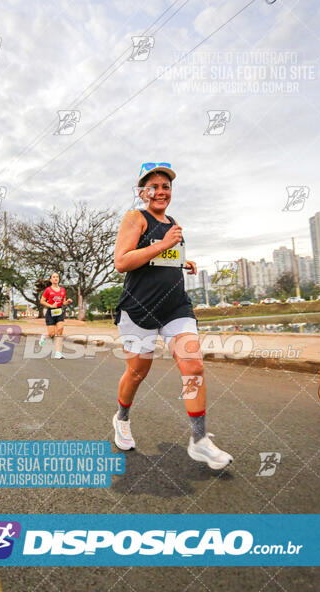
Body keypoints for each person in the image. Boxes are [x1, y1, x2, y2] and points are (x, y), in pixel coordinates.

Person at [112, 162, 233, 470]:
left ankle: (199, 440)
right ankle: (122, 418)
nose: (160, 192)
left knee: (193, 364)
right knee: (138, 373)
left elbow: (161, 257)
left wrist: (182, 260)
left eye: (165, 186)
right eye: (153, 186)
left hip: (175, 307)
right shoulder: (134, 218)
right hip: (139, 309)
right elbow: (122, 262)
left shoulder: (173, 222)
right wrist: (166, 245)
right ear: (142, 192)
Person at [39, 272, 73, 359]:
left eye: (57, 277)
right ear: (51, 280)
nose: (55, 278)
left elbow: (63, 302)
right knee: (51, 334)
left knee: (60, 330)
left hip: (59, 311)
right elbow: (42, 301)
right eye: (53, 277)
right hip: (51, 312)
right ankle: (44, 336)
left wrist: (67, 302)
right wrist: (51, 306)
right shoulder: (48, 290)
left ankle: (58, 353)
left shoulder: (62, 290)